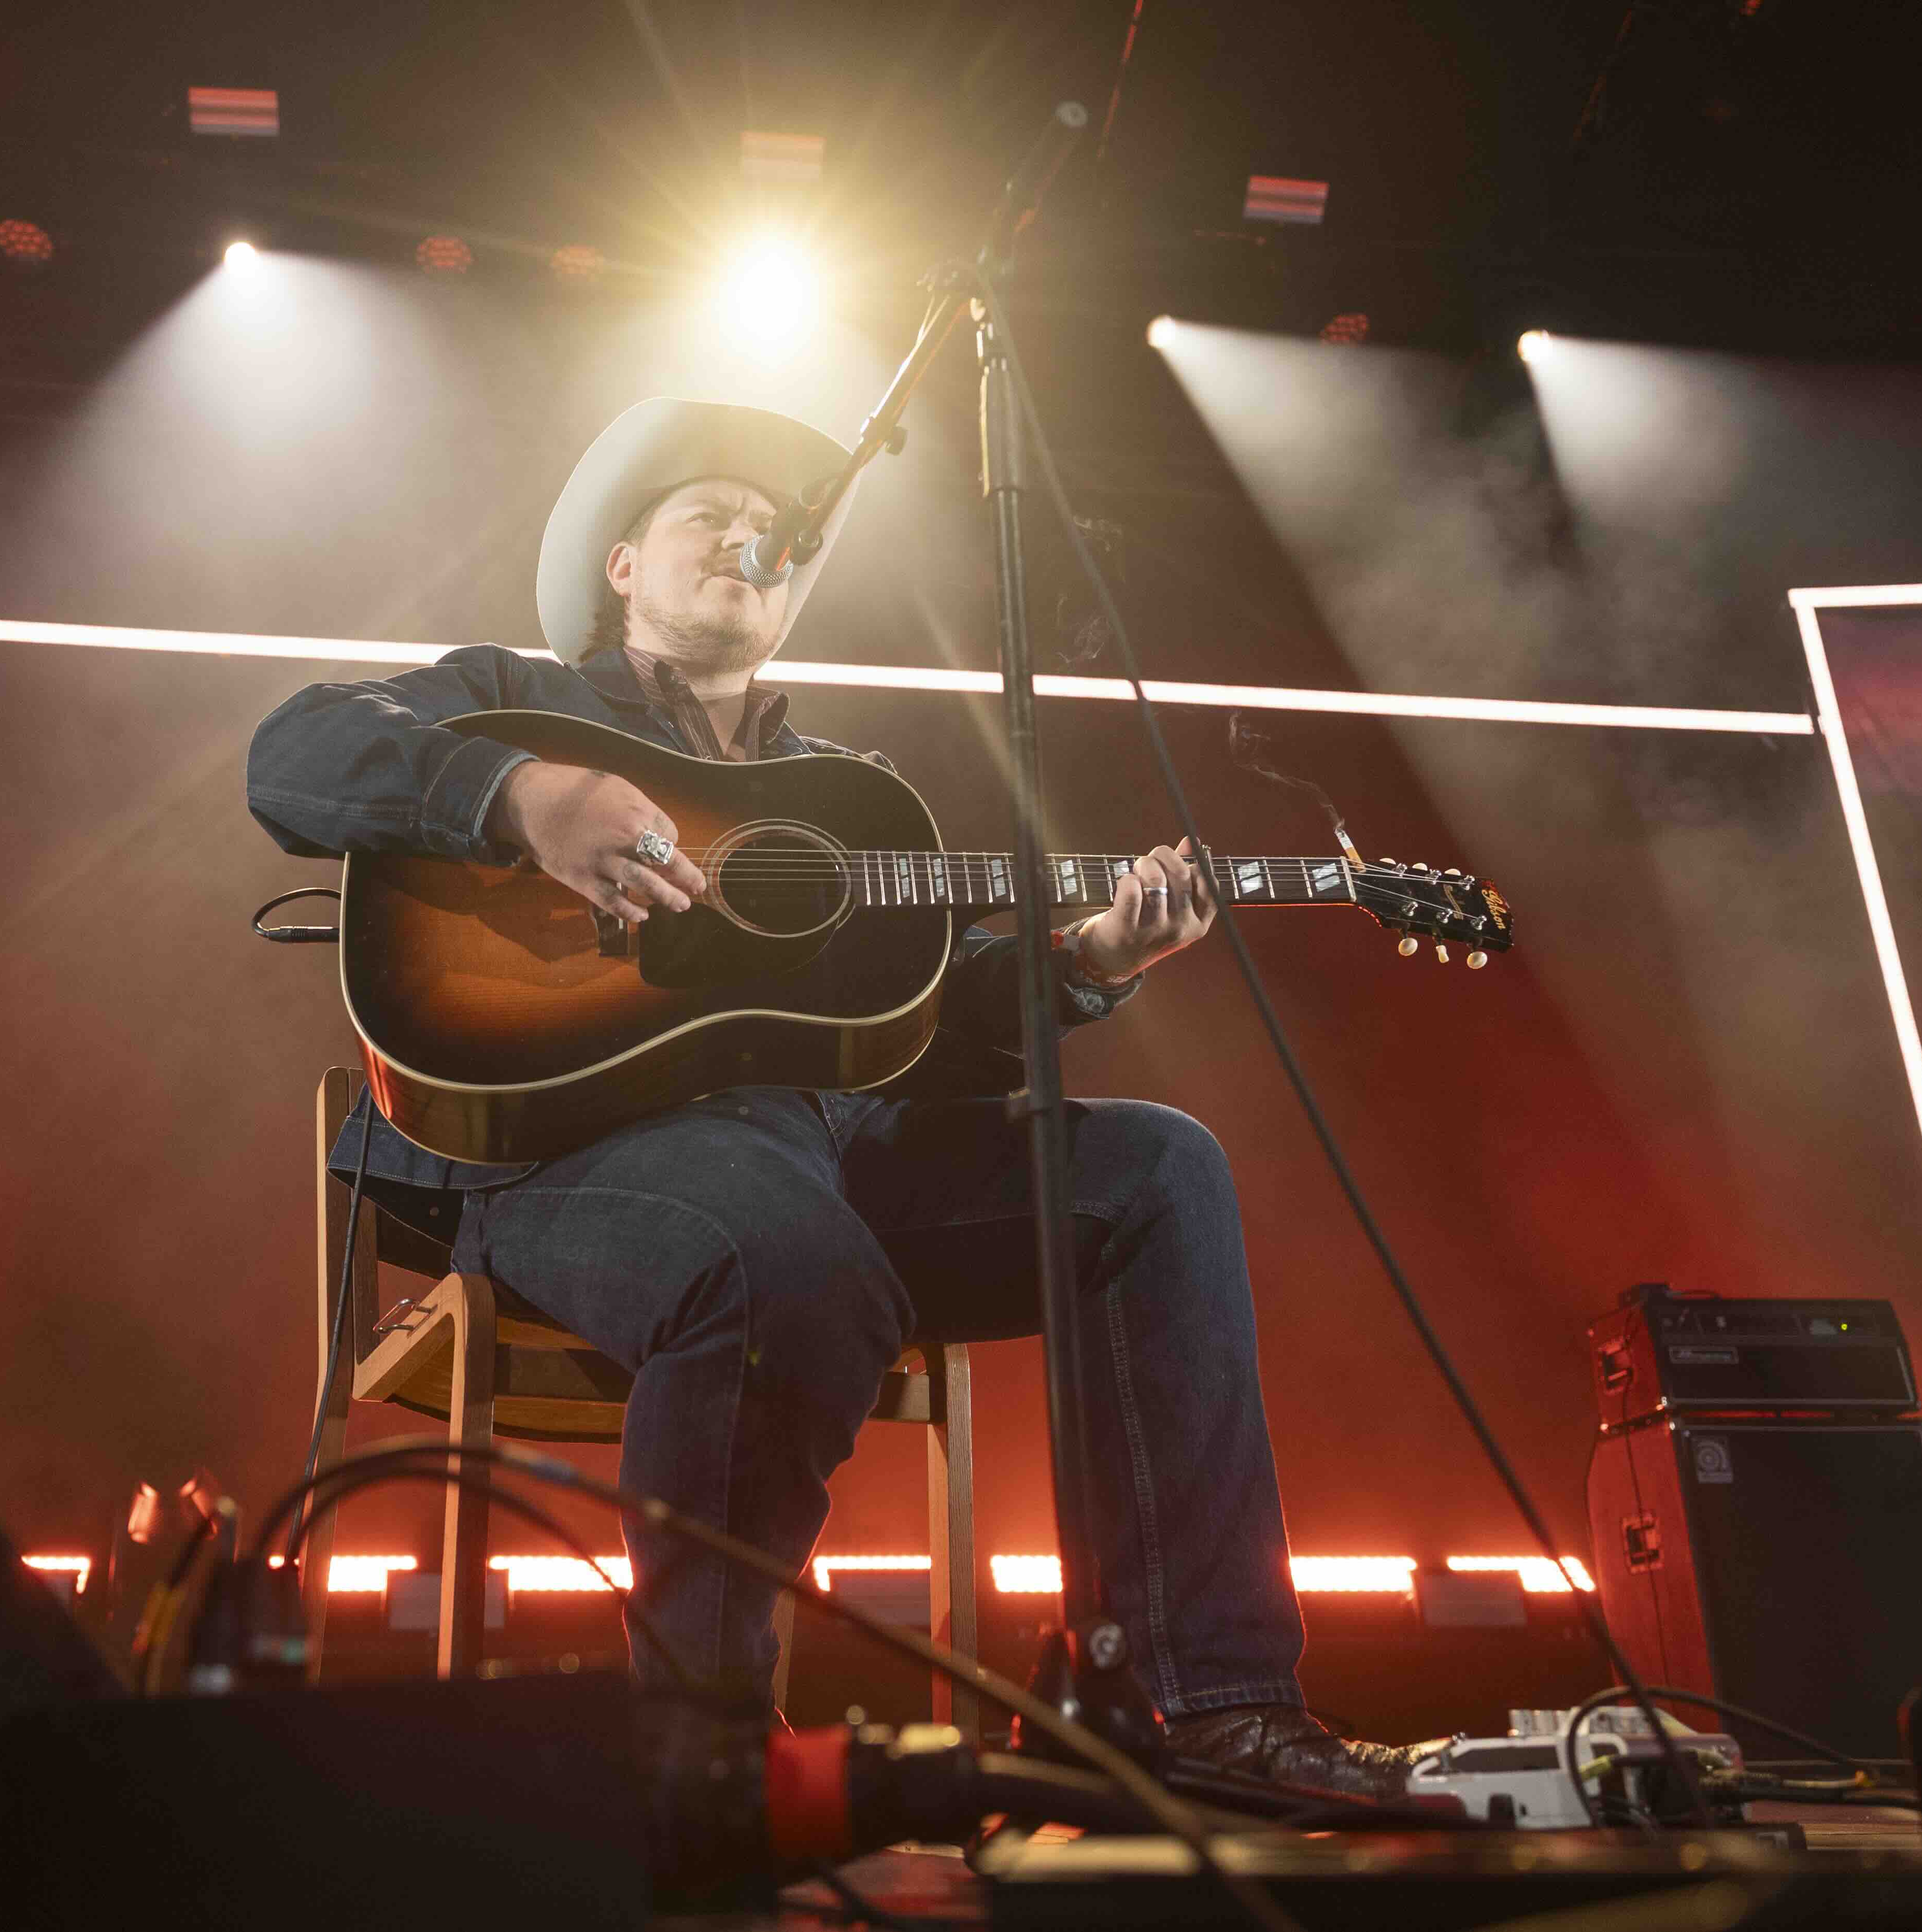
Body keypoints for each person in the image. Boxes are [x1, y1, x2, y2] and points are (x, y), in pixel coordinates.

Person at [247, 398, 1421, 1797]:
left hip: (831, 1151)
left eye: (774, 536)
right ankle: (695, 1766)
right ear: (621, 565)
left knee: (1157, 1171)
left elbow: (915, 1034)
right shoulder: (517, 694)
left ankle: (1200, 1710)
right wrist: (522, 793)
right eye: (707, 515)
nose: (749, 539)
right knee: (779, 1249)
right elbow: (293, 752)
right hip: (573, 1157)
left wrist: (1086, 965)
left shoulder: (847, 800)